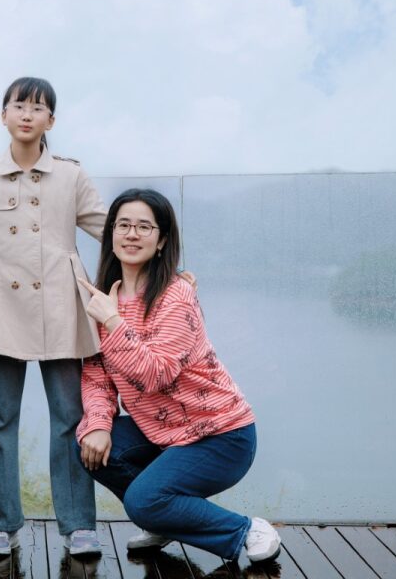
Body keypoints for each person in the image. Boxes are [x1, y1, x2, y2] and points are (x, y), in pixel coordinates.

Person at [0, 77, 105, 556]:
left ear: (52, 120)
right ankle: (2, 524)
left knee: (69, 418)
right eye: (19, 105)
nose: (27, 114)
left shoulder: (71, 175)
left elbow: (109, 227)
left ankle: (78, 526)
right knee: (0, 419)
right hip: (1, 309)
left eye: (39, 108)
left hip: (62, 308)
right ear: (3, 114)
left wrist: (171, 265)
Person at [74, 188, 281, 563]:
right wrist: (100, 423)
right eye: (123, 225)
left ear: (162, 240)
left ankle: (246, 529)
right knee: (89, 444)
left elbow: (157, 373)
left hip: (222, 435)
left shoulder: (175, 295)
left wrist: (113, 321)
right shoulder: (104, 297)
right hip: (165, 433)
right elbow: (95, 374)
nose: (132, 234)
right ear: (110, 235)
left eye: (144, 227)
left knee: (144, 500)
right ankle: (162, 523)